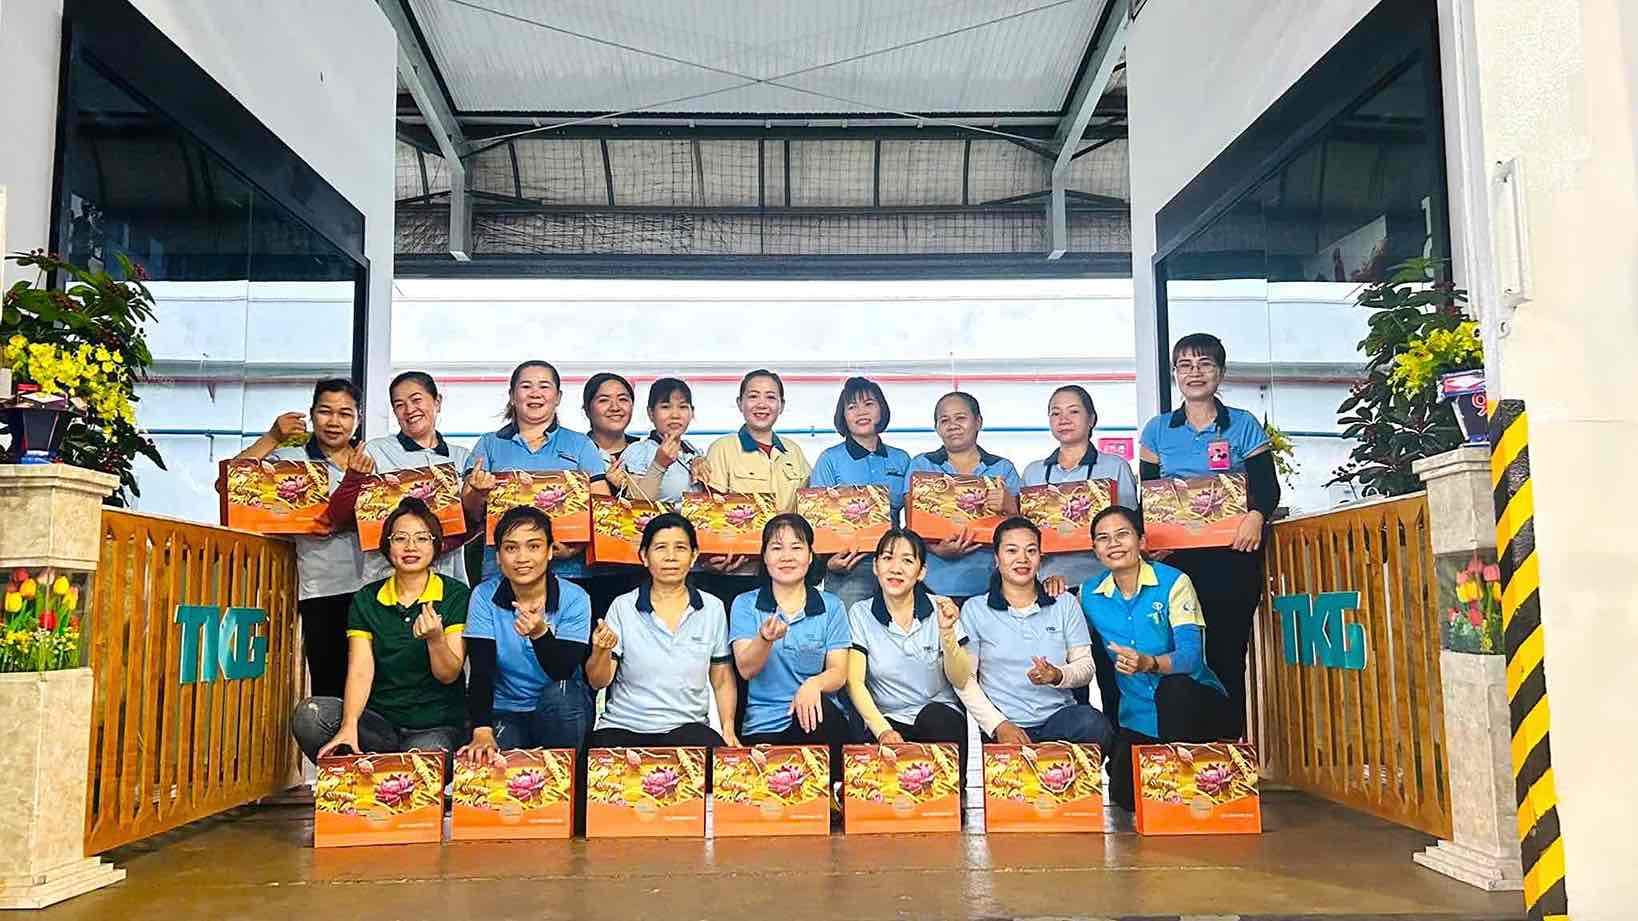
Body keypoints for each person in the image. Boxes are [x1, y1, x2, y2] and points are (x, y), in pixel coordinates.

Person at [1137, 332, 1279, 733]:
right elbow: (1148, 499)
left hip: (1231, 560)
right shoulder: (1157, 431)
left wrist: (1256, 515)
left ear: (1221, 372)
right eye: (1185, 366)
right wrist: (1150, 540)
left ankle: (1227, 749)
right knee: (1176, 654)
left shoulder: (1243, 424)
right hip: (1174, 565)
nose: (1194, 373)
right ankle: (1181, 749)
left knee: (1225, 653)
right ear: (1175, 376)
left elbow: (1266, 487)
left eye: (1204, 365)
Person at [290, 497, 469, 762]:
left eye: (422, 538)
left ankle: (382, 772)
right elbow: (361, 671)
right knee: (310, 716)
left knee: (421, 760)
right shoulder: (367, 598)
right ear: (387, 546)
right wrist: (349, 724)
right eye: (400, 538)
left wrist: (435, 639)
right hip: (380, 724)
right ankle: (360, 774)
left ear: (436, 545)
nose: (411, 547)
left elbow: (448, 674)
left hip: (435, 726)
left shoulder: (455, 594)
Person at [1081, 505, 1236, 810]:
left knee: (1173, 688)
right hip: (1139, 715)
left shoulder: (1175, 582)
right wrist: (1049, 586)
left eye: (1122, 534)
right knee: (1126, 799)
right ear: (1095, 550)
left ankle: (1193, 774)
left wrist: (1148, 663)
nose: (1113, 543)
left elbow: (1191, 658)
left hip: (1193, 704)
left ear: (1141, 540)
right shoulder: (1088, 594)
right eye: (1103, 538)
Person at [234, 379, 369, 699]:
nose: (334, 422)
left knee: (375, 687)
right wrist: (272, 437)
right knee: (330, 687)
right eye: (325, 411)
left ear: (357, 420)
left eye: (345, 413)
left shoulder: (369, 458)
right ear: (311, 414)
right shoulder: (292, 458)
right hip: (322, 588)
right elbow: (232, 484)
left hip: (375, 585)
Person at [955, 517, 1115, 748]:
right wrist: (998, 725)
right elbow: (965, 679)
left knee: (1093, 724)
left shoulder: (1064, 603)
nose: (1022, 559)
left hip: (1059, 719)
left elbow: (1086, 667)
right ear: (996, 559)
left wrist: (1057, 674)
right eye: (1011, 551)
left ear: (1040, 557)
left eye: (1031, 550)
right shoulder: (975, 609)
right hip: (1006, 725)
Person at [586, 513, 740, 748]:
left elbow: (721, 678)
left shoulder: (712, 608)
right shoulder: (623, 606)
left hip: (687, 728)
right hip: (624, 726)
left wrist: (727, 728)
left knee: (709, 749)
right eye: (660, 548)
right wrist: (599, 651)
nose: (670, 557)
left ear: (694, 556)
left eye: (680, 548)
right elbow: (598, 681)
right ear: (644, 556)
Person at [459, 506, 595, 760]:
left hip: (560, 706)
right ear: (498, 556)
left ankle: (570, 786)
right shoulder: (484, 595)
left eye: (533, 547)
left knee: (563, 693)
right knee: (492, 763)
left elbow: (562, 671)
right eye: (511, 548)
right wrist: (481, 730)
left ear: (550, 551)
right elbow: (481, 669)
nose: (522, 558)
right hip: (505, 710)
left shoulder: (575, 598)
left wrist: (540, 633)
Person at [460, 360, 611, 585]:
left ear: (558, 397)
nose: (535, 393)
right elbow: (468, 512)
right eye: (526, 386)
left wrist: (575, 546)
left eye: (544, 386)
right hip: (501, 574)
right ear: (512, 395)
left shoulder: (580, 445)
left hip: (568, 574)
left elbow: (603, 507)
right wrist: (478, 493)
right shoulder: (489, 444)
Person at [729, 515, 851, 772]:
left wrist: (813, 684)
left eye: (796, 547)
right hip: (765, 725)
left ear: (810, 555)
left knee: (822, 714)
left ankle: (833, 805)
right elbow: (746, 669)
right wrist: (764, 640)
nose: (787, 556)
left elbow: (839, 673)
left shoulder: (831, 606)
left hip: (818, 720)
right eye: (776, 548)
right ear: (764, 556)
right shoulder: (745, 604)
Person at [845, 528, 971, 749]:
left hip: (939, 716)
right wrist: (883, 731)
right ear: (875, 567)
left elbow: (961, 679)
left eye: (907, 560)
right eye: (887, 558)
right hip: (886, 719)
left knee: (936, 718)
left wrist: (947, 633)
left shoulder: (941, 607)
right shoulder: (860, 613)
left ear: (921, 572)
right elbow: (854, 682)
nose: (896, 569)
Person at [345, 371, 472, 584]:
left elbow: (474, 519)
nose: (409, 410)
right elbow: (349, 516)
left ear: (437, 401)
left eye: (416, 400)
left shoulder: (462, 457)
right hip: (386, 578)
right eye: (399, 405)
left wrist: (438, 544)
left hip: (447, 580)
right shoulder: (375, 451)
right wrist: (353, 477)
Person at [698, 370, 812, 606]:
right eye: (753, 396)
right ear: (740, 403)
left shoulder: (795, 452)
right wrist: (710, 557)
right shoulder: (723, 449)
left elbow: (809, 511)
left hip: (785, 572)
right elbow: (711, 514)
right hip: (737, 573)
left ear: (781, 405)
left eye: (771, 397)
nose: (762, 404)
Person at [903, 392, 1021, 604]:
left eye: (960, 418)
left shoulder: (1002, 468)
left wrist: (1011, 507)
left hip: (991, 585)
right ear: (937, 427)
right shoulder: (921, 466)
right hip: (932, 585)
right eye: (944, 420)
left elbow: (1023, 531)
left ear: (978, 422)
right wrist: (937, 550)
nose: (953, 425)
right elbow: (912, 526)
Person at [1020, 385, 1138, 591]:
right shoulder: (1033, 472)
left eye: (1073, 412)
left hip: (1106, 583)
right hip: (1048, 584)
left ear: (1091, 419)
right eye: (1055, 413)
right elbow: (1024, 534)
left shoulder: (1115, 467)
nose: (1063, 419)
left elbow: (1131, 529)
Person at [810, 377, 913, 610]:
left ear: (881, 409)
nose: (861, 412)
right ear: (843, 416)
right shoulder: (830, 459)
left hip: (896, 563)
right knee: (851, 639)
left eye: (869, 404)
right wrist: (829, 563)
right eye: (852, 406)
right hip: (850, 565)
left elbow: (914, 518)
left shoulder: (902, 459)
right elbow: (817, 521)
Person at [576, 372, 645, 619]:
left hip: (640, 570)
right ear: (587, 408)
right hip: (586, 573)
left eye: (623, 399)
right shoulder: (574, 452)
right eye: (604, 400)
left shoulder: (648, 452)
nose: (615, 407)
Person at [615, 377, 708, 503]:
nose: (675, 415)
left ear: (692, 412)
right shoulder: (639, 451)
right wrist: (659, 465)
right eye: (666, 407)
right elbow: (637, 504)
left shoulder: (693, 450)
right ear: (651, 413)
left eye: (682, 407)